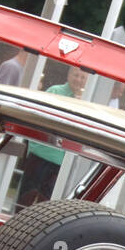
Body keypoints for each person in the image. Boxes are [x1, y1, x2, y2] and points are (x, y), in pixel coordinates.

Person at [17, 66, 88, 207]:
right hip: (40, 152)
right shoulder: (55, 91)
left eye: (83, 77)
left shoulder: (87, 101)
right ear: (68, 76)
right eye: (76, 75)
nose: (78, 80)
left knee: (47, 202)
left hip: (60, 161)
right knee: (26, 196)